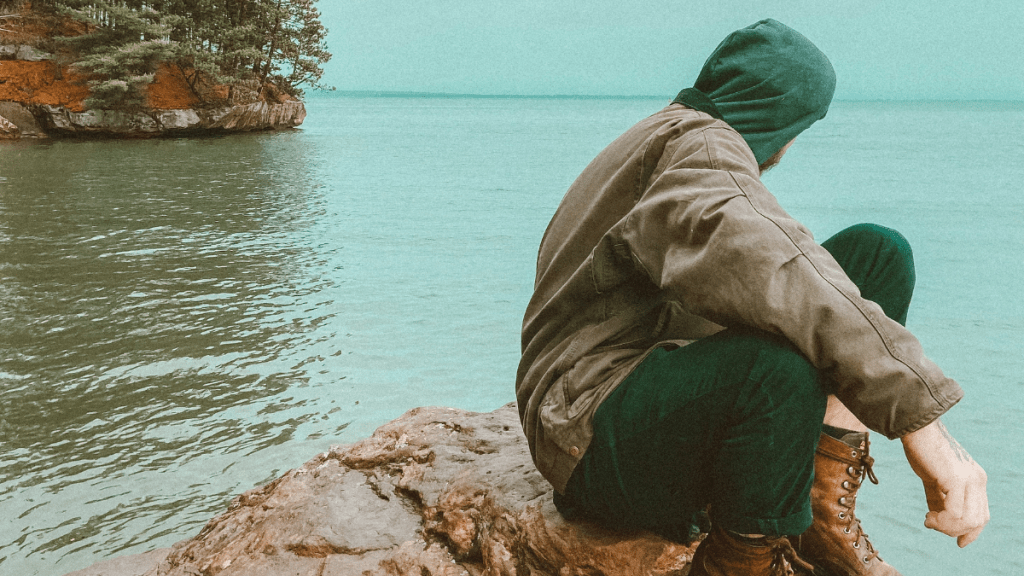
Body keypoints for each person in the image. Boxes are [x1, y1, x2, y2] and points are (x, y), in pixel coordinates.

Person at [515, 18, 989, 576]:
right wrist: (920, 424)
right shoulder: (699, 157)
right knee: (775, 368)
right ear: (777, 117)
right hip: (588, 442)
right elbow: (779, 267)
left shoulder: (671, 140)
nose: (791, 146)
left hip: (626, 395)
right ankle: (740, 560)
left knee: (873, 258)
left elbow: (779, 270)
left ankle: (817, 513)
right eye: (800, 127)